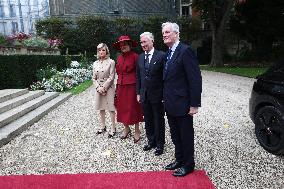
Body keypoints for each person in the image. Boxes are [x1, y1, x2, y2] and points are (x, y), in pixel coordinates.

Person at [162, 22, 202, 177]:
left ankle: (188, 164)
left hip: (183, 104)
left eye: (167, 32)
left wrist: (194, 104)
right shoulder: (168, 53)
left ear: (176, 33)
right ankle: (179, 159)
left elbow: (195, 79)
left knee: (185, 135)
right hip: (170, 102)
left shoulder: (185, 51)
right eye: (163, 33)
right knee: (175, 134)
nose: (164, 35)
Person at [136, 32, 165, 156]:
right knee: (148, 119)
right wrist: (138, 93)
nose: (143, 44)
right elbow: (138, 77)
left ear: (152, 41)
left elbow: (165, 77)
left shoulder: (161, 56)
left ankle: (160, 144)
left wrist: (164, 95)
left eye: (145, 42)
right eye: (141, 42)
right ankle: (151, 141)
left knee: (158, 119)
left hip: (158, 95)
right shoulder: (140, 57)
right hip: (144, 95)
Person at [112, 35, 144, 143]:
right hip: (120, 86)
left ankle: (136, 130)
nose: (123, 46)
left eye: (125, 44)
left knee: (133, 107)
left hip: (132, 85)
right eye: (121, 45)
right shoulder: (119, 57)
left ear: (129, 45)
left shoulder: (136, 56)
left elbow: (139, 73)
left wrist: (139, 88)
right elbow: (118, 72)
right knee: (122, 108)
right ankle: (126, 128)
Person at [92, 43, 116, 138]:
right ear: (97, 52)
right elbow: (93, 78)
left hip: (108, 87)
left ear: (106, 51)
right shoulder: (95, 63)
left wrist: (104, 87)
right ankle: (103, 126)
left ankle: (113, 128)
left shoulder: (111, 62)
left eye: (103, 50)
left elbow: (112, 76)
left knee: (111, 108)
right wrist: (98, 87)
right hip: (98, 88)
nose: (101, 52)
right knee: (101, 108)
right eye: (99, 50)